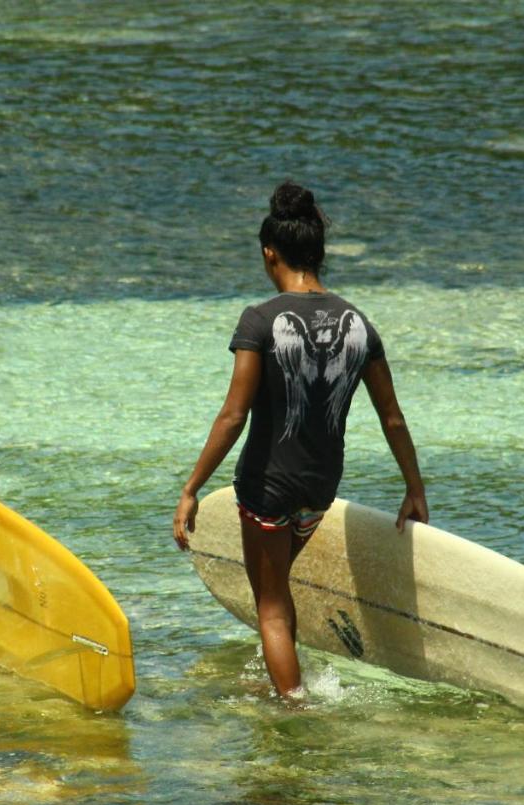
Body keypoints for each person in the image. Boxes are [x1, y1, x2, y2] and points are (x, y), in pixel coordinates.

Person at [173, 181, 429, 697]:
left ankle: (294, 712)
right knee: (278, 589)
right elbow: (393, 418)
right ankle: (283, 682)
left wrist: (191, 488)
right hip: (320, 487)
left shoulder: (261, 320)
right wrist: (414, 488)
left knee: (268, 605)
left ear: (271, 254)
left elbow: (233, 415)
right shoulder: (359, 324)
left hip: (267, 485)